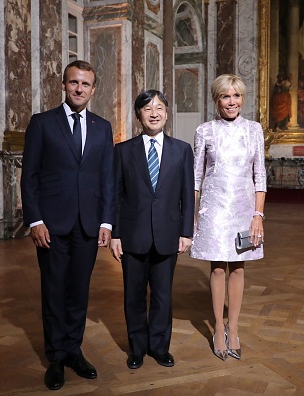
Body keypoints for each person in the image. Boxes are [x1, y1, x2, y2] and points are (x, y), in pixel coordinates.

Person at [20, 60, 115, 391]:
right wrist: (35, 219)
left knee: (78, 292)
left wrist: (106, 221)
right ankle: (56, 358)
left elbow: (107, 178)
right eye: (74, 82)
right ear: (63, 85)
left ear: (93, 89)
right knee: (54, 292)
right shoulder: (42, 123)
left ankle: (74, 350)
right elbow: (29, 175)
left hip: (88, 226)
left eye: (85, 84)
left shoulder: (103, 127)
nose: (79, 89)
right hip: (51, 225)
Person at [110, 89, 194, 370]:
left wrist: (186, 232)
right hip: (133, 236)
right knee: (133, 295)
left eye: (159, 108)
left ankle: (159, 347)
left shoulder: (182, 150)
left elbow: (187, 195)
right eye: (147, 109)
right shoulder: (122, 151)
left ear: (167, 114)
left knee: (162, 295)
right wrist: (116, 235)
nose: (154, 113)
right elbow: (116, 196)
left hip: (168, 235)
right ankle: (136, 348)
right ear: (139, 116)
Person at [190, 74, 266, 361]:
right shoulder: (205, 131)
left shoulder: (254, 130)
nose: (231, 102)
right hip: (214, 210)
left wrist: (257, 215)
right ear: (216, 99)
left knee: (238, 269)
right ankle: (218, 328)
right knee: (218, 268)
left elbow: (260, 176)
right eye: (225, 96)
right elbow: (196, 177)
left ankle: (233, 328)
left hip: (244, 210)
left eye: (236, 96)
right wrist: (192, 215)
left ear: (242, 99)